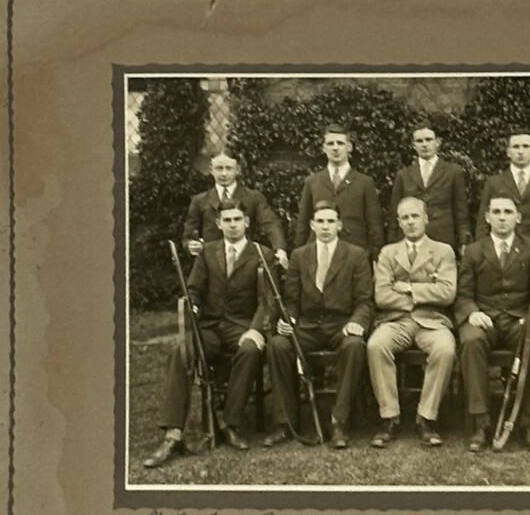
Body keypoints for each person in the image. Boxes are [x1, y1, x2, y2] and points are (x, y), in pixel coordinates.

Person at [144, 199, 276, 468]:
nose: (232, 225)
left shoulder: (262, 254)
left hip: (241, 325)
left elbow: (268, 300)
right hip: (210, 327)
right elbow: (194, 289)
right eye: (227, 220)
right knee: (180, 351)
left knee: (250, 350)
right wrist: (192, 305)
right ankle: (173, 434)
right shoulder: (208, 253)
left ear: (247, 222)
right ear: (218, 224)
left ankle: (228, 422)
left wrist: (254, 330)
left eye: (237, 219)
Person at [264, 201, 373, 449]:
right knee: (278, 345)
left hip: (340, 324)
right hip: (307, 325)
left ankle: (339, 420)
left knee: (355, 346)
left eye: (331, 221)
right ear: (312, 225)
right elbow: (291, 300)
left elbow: (365, 301)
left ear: (340, 225)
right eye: (320, 222)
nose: (325, 227)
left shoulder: (356, 255)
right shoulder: (299, 256)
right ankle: (285, 422)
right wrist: (288, 319)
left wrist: (356, 322)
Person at [456, 197, 530, 452]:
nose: (502, 217)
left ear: (518, 218)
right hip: (485, 317)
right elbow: (463, 293)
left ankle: (529, 422)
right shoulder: (474, 250)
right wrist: (472, 313)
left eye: (508, 212)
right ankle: (481, 422)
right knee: (471, 340)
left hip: (519, 318)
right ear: (487, 217)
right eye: (496, 212)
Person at [366, 197, 457, 448]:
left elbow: (448, 293)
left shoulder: (443, 251)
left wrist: (408, 288)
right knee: (376, 345)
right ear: (398, 222)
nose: (410, 222)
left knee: (445, 349)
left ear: (425, 219)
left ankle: (425, 418)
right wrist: (424, 295)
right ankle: (390, 417)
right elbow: (382, 296)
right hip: (397, 321)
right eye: (405, 217)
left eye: (415, 216)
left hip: (432, 321)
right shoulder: (388, 252)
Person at [182, 151, 289, 269]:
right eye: (219, 168)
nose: (224, 173)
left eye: (229, 168)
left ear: (237, 170)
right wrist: (191, 245)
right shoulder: (200, 200)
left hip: (244, 263)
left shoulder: (253, 197)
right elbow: (189, 235)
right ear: (211, 170)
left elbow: (270, 224)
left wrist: (280, 249)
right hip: (211, 265)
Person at [294, 124, 385, 262]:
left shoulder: (364, 182)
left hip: (354, 255)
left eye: (340, 143)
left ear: (349, 147)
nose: (335, 148)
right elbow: (303, 223)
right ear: (324, 148)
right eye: (330, 143)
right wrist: (299, 256)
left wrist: (376, 257)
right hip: (319, 254)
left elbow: (374, 224)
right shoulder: (312, 182)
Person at [387, 120, 471, 252]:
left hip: (443, 239)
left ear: (437, 142)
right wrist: (392, 244)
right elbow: (394, 214)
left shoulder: (453, 172)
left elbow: (461, 211)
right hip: (411, 241)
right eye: (419, 141)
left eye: (428, 140)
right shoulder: (403, 175)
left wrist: (464, 241)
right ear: (414, 145)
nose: (424, 144)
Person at [476, 128, 530, 246]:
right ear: (508, 152)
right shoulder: (494, 182)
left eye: (525, 146)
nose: (521, 151)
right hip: (504, 250)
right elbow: (483, 223)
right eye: (516, 147)